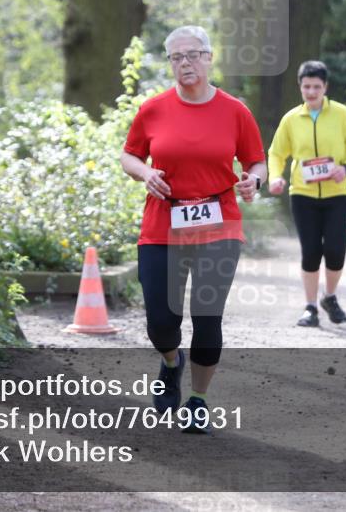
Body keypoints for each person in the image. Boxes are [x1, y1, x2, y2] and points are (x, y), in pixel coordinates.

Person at [120, 25, 266, 434]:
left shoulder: (236, 110)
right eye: (176, 57)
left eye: (193, 55)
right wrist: (145, 172)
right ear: (170, 63)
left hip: (218, 223)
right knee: (161, 323)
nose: (185, 63)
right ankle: (171, 361)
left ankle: (198, 399)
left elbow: (257, 161)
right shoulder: (153, 109)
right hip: (163, 223)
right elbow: (129, 155)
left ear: (209, 58)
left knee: (207, 317)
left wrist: (253, 180)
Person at [267, 60, 346, 327]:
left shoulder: (342, 115)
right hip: (303, 194)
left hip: (338, 194)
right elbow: (277, 153)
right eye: (306, 86)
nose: (311, 92)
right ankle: (310, 307)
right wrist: (276, 176)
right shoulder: (291, 119)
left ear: (326, 87)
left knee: (335, 251)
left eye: (316, 87)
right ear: (300, 87)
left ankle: (330, 297)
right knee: (310, 252)